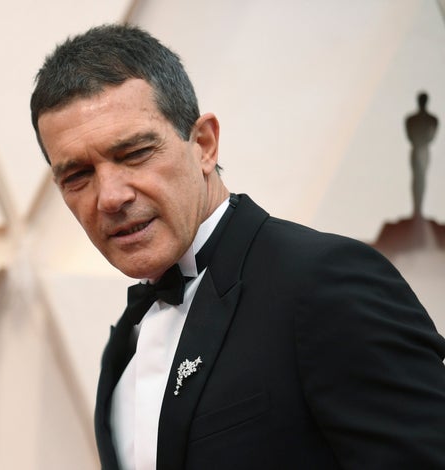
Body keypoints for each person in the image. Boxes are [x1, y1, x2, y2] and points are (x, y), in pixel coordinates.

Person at [30, 24, 445, 469]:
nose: (110, 196)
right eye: (77, 176)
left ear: (204, 144)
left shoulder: (324, 282)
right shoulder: (128, 337)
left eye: (134, 154)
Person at [405, 92, 438, 218]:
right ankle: (416, 209)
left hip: (424, 150)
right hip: (417, 149)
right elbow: (409, 136)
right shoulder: (410, 119)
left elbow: (432, 136)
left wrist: (422, 143)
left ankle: (419, 209)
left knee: (422, 178)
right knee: (416, 178)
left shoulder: (433, 120)